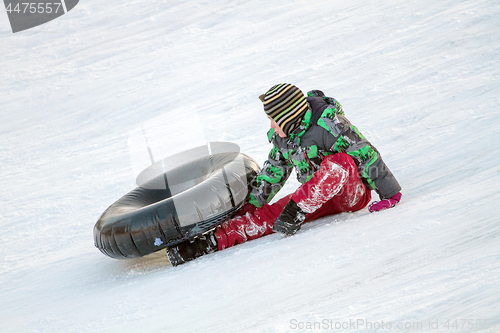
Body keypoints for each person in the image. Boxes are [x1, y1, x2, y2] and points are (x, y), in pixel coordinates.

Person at [166, 83, 402, 266]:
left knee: (339, 162)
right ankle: (203, 245)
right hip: (313, 199)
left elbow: (365, 153)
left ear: (288, 117)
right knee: (270, 216)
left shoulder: (330, 126)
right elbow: (273, 172)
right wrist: (250, 206)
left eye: (273, 120)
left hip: (351, 193)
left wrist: (390, 194)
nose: (271, 127)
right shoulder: (284, 138)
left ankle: (298, 209)